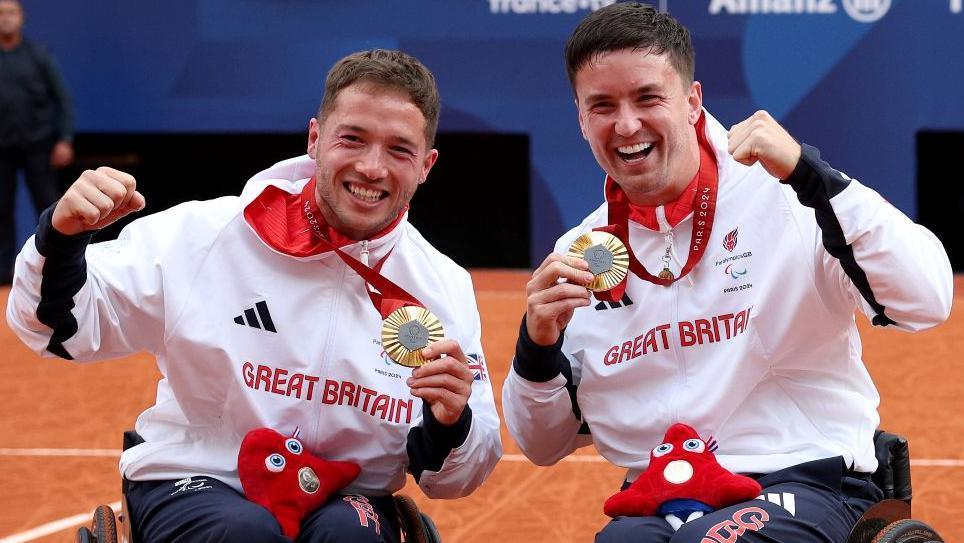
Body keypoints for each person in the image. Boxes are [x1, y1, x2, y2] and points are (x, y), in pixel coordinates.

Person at [6, 49, 501, 543]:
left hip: (348, 496)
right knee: (244, 532)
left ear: (426, 165)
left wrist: (451, 422)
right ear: (315, 139)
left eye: (399, 150)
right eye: (352, 139)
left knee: (346, 536)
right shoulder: (207, 235)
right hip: (198, 479)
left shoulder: (442, 285)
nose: (372, 167)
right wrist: (62, 236)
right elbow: (54, 328)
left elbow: (457, 475)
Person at [502, 3, 952, 542]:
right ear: (581, 119)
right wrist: (537, 343)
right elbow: (542, 444)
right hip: (661, 495)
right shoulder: (582, 253)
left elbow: (927, 299)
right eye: (602, 105)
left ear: (692, 101)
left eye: (648, 97)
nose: (626, 125)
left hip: (804, 480)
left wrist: (813, 177)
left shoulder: (790, 196)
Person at [0, 0, 74, 284]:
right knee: (1, 209)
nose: (5, 19)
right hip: (2, 148)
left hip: (38, 145)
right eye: (0, 14)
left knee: (49, 206)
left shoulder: (39, 56)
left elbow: (63, 100)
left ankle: (55, 267)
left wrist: (64, 139)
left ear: (21, 18)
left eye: (11, 13)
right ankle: (5, 273)